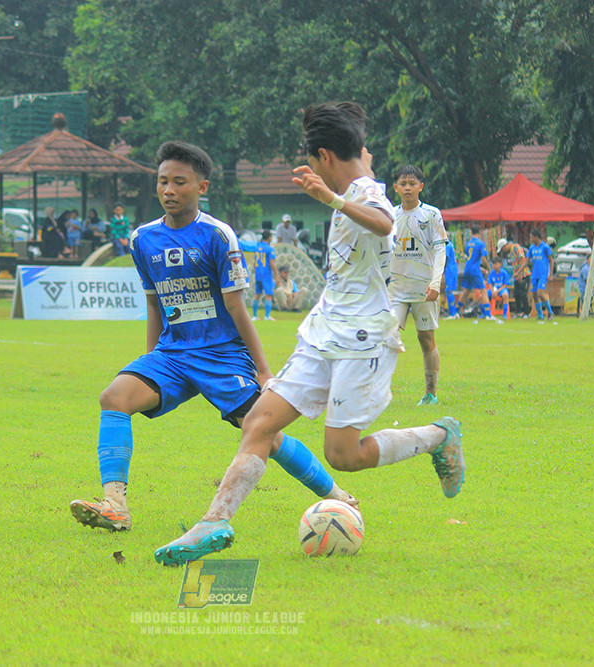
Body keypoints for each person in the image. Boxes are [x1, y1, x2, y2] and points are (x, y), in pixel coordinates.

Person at [155, 102, 464, 566]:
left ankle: (438, 436)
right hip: (322, 331)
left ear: (324, 156)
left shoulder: (364, 192)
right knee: (259, 422)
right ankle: (214, 522)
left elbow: (384, 222)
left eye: (313, 160)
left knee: (343, 455)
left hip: (363, 339)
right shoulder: (358, 184)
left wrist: (332, 199)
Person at [68, 140, 358, 534]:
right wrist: (152, 358)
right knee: (114, 398)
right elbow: (154, 304)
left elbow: (237, 308)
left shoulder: (218, 236)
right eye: (163, 182)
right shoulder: (142, 240)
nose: (169, 190)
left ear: (201, 187)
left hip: (222, 356)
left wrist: (262, 371)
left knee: (265, 433)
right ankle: (115, 505)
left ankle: (339, 497)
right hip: (172, 355)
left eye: (180, 182)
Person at [387, 164, 448, 406]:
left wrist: (435, 283)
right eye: (403, 184)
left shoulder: (431, 215)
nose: (408, 188)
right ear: (395, 187)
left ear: (421, 186)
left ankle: (430, 393)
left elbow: (440, 250)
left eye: (412, 184)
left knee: (426, 339)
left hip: (424, 289)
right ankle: (377, 392)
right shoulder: (389, 215)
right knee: (386, 334)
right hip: (396, 288)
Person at [460, 226, 490, 317]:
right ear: (479, 232)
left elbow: (470, 258)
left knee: (466, 291)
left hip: (467, 269)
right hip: (475, 270)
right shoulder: (480, 243)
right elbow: (483, 259)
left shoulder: (468, 244)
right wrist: (489, 268)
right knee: (483, 290)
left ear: (471, 233)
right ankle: (488, 314)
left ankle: (455, 312)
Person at [251, 229, 280, 321]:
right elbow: (271, 263)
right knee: (269, 294)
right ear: (270, 237)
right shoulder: (270, 249)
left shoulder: (257, 247)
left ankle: (254, 316)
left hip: (258, 273)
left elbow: (255, 261)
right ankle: (267, 316)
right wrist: (277, 275)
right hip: (266, 274)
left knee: (258, 293)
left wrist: (255, 270)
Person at [528, 228, 554, 321]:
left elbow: (551, 261)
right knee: (534, 295)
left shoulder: (545, 247)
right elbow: (527, 261)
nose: (530, 239)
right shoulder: (532, 248)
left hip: (543, 274)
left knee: (540, 293)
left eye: (531, 237)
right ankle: (540, 315)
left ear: (536, 237)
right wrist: (518, 272)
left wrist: (550, 274)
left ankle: (550, 312)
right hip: (534, 274)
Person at [487, 255, 511, 320]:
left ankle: (505, 314)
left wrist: (497, 291)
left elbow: (505, 284)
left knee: (505, 295)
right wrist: (492, 292)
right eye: (493, 264)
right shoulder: (491, 273)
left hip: (502, 289)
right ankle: (486, 313)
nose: (494, 266)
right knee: (484, 295)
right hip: (493, 289)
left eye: (496, 264)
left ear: (500, 264)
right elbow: (490, 284)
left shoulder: (504, 273)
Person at [443, 239, 459, 319]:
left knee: (448, 291)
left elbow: (446, 258)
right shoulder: (451, 244)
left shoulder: (447, 246)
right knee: (449, 291)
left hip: (449, 270)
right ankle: (454, 313)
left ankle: (452, 314)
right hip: (453, 269)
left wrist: (442, 271)